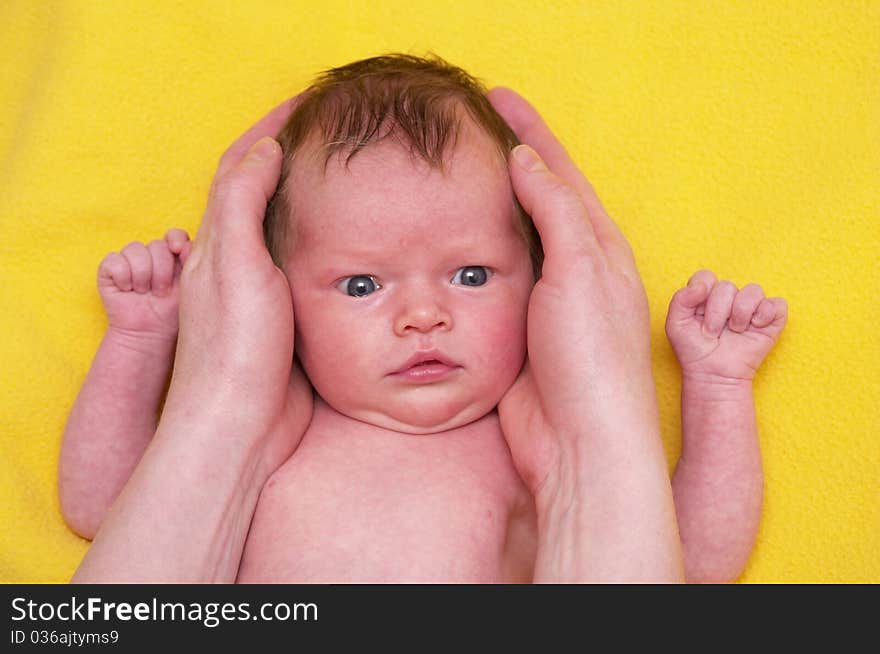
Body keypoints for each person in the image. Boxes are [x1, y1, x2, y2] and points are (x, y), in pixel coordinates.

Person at [60, 55, 787, 583]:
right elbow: (100, 505)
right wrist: (142, 338)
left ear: (539, 276)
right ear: (277, 296)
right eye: (361, 284)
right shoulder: (280, 424)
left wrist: (717, 388)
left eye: (471, 275)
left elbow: (691, 557)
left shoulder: (525, 435)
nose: (422, 316)